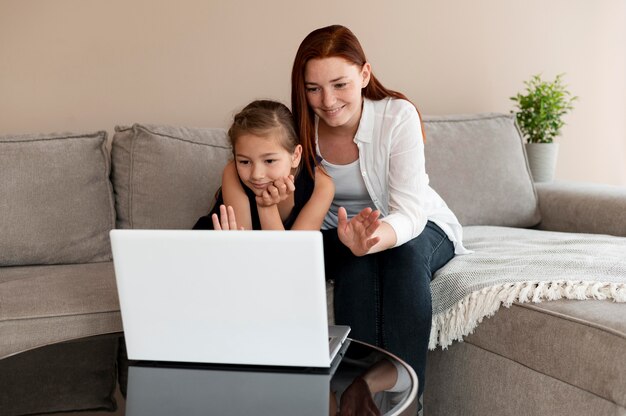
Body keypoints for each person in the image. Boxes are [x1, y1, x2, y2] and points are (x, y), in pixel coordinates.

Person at [290, 25, 469, 402]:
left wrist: (371, 240)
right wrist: (355, 247)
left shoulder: (397, 116)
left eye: (340, 84)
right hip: (341, 236)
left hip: (417, 225)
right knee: (354, 268)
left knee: (402, 256)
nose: (328, 100)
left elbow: (409, 213)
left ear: (365, 75)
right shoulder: (298, 131)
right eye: (314, 89)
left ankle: (408, 402)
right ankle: (359, 395)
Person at [193, 99, 334, 231]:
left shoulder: (321, 186)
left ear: (295, 155)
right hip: (220, 247)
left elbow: (289, 255)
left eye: (269, 161)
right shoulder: (232, 172)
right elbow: (245, 246)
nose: (256, 175)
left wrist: (266, 206)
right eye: (244, 162)